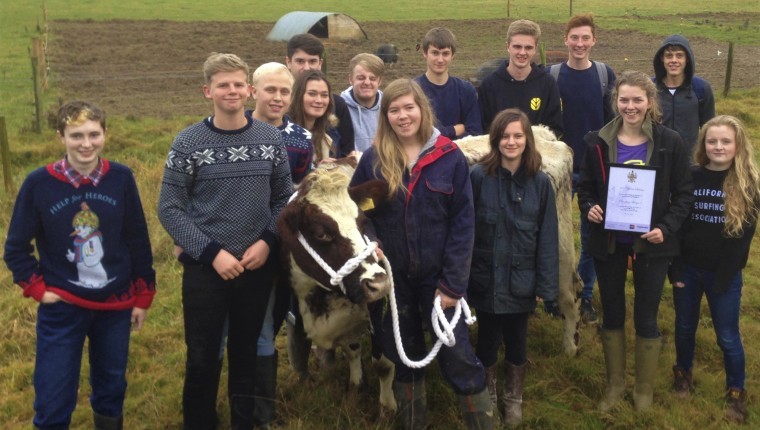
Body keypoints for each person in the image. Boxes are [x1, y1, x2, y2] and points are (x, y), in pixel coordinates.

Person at [157, 53, 291, 429]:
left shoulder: (270, 139)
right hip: (206, 270)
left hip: (255, 265)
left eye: (237, 84)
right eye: (222, 85)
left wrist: (267, 241)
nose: (231, 91)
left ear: (249, 90)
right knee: (202, 355)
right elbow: (170, 209)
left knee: (245, 353)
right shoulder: (188, 143)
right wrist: (212, 253)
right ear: (207, 91)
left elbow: (283, 199)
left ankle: (244, 422)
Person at [4, 101, 156, 430]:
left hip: (115, 304)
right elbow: (16, 247)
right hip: (63, 307)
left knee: (112, 385)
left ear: (105, 134)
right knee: (53, 392)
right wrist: (36, 288)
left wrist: (143, 293)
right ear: (61, 137)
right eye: (76, 136)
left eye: (93, 134)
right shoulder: (38, 184)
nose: (86, 144)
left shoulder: (121, 178)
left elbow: (136, 238)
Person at [350, 78, 492, 430]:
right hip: (394, 280)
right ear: (386, 116)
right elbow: (362, 212)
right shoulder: (373, 161)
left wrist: (453, 285)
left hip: (440, 278)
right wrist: (370, 238)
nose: (402, 116)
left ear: (422, 110)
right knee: (404, 352)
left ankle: (482, 420)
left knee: (457, 351)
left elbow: (463, 225)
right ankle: (413, 421)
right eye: (394, 110)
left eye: (409, 108)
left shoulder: (449, 157)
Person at [577, 70, 693, 412]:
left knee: (646, 316)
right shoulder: (597, 141)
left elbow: (684, 195)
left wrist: (666, 228)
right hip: (609, 242)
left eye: (637, 100)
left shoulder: (670, 141)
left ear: (650, 102)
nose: (630, 106)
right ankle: (614, 385)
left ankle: (643, 390)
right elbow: (585, 188)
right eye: (624, 100)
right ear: (616, 101)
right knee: (612, 313)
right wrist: (590, 208)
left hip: (652, 243)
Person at [469, 108, 558, 426]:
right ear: (495, 139)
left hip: (523, 280)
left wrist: (545, 287)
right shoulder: (479, 177)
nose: (511, 141)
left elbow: (548, 238)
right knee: (487, 338)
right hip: (487, 278)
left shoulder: (541, 183)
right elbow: (467, 230)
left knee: (518, 340)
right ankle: (488, 395)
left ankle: (514, 398)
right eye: (505, 136)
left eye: (518, 135)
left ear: (527, 140)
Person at [669, 115, 759, 424]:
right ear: (703, 145)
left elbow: (741, 241)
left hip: (724, 275)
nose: (718, 146)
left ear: (738, 146)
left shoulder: (747, 184)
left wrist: (723, 278)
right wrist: (676, 270)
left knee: (727, 336)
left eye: (725, 141)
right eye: (712, 141)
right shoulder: (691, 177)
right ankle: (682, 374)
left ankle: (736, 391)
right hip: (688, 271)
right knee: (684, 326)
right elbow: (678, 227)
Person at [249, 61, 311, 428]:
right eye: (269, 90)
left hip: (280, 244)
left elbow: (299, 195)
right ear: (253, 90)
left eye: (284, 92)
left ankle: (262, 411)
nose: (276, 97)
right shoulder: (235, 128)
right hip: (236, 244)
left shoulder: (300, 139)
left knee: (272, 321)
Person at [551, 13, 617, 323]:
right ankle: (555, 294)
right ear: (566, 40)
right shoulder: (551, 76)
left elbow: (614, 123)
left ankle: (585, 295)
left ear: (594, 41)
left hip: (595, 171)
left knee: (592, 235)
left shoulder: (605, 75)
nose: (579, 43)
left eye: (585, 38)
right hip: (560, 170)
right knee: (554, 235)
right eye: (574, 38)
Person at [478, 19, 563, 137]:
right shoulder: (489, 85)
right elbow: (484, 130)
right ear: (508, 46)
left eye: (528, 47)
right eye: (517, 46)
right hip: (500, 153)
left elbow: (555, 129)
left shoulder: (547, 84)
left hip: (536, 154)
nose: (522, 52)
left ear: (535, 49)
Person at [286, 33, 355, 157]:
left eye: (312, 61)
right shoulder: (280, 104)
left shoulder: (337, 105)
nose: (306, 68)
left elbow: (346, 152)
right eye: (300, 61)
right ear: (289, 62)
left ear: (320, 63)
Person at [414, 27, 482, 139]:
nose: (440, 59)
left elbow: (475, 133)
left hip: (459, 155)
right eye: (435, 53)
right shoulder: (413, 91)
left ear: (452, 56)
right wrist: (453, 130)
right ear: (425, 53)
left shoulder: (466, 91)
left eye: (445, 54)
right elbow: (417, 134)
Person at [652, 34, 715, 154]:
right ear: (662, 58)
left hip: (688, 161)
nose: (674, 60)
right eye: (669, 56)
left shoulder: (701, 89)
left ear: (687, 59)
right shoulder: (650, 89)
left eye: (679, 55)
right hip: (656, 160)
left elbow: (710, 129)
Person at [289, 69, 341, 164]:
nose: (319, 100)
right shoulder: (284, 134)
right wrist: (318, 171)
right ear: (298, 95)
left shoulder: (330, 134)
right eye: (312, 94)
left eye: (324, 95)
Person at [341, 53, 385, 152]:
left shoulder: (389, 106)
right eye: (361, 78)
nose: (367, 82)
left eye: (372, 78)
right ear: (350, 79)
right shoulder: (340, 108)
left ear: (380, 81)